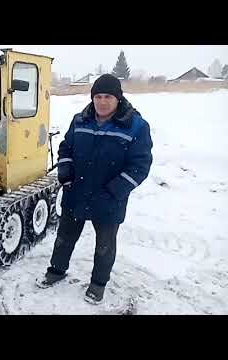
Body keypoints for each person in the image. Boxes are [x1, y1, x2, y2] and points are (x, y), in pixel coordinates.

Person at [38, 74, 153, 305]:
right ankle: (56, 271)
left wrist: (114, 191)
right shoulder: (80, 120)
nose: (102, 101)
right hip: (76, 192)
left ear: (118, 98)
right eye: (98, 96)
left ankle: (98, 284)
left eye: (108, 96)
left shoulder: (136, 126)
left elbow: (140, 165)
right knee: (64, 237)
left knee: (104, 246)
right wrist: (66, 174)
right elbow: (66, 148)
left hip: (110, 199)